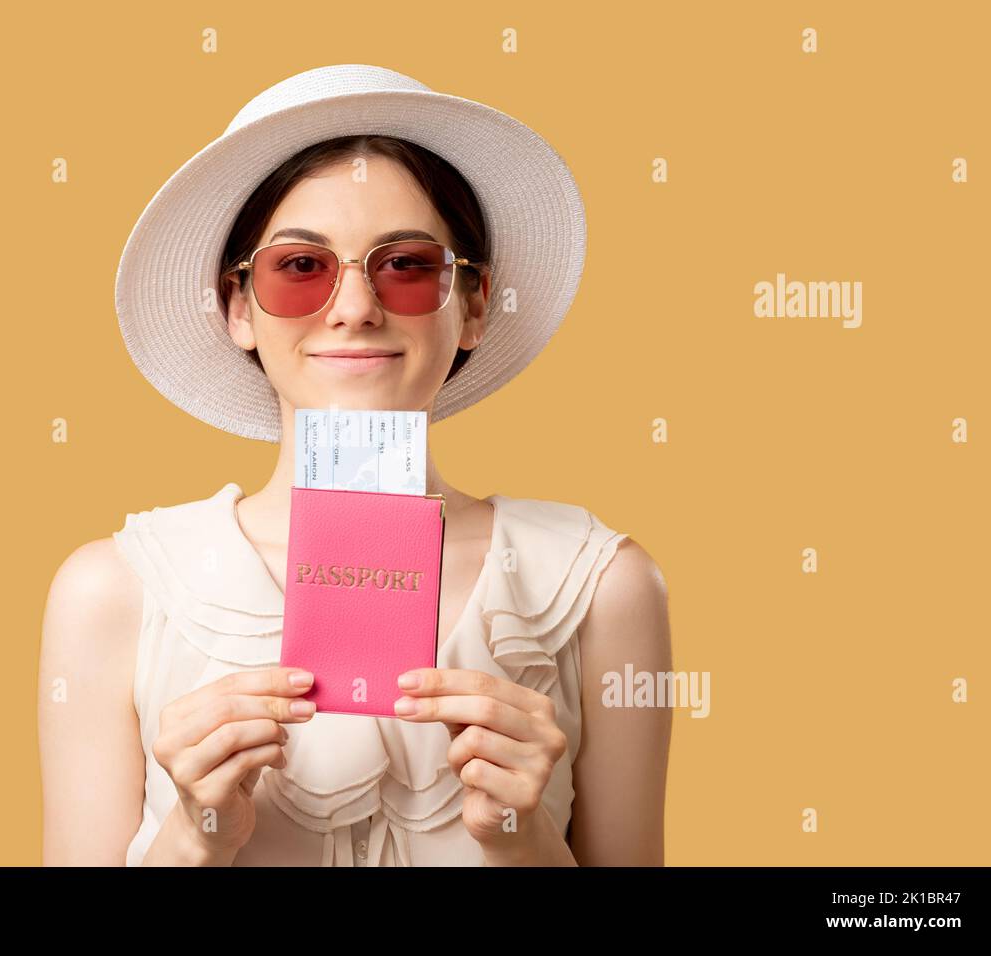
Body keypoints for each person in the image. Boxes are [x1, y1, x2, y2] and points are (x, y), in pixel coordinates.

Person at [39, 65, 671, 866]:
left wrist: (522, 839)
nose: (354, 307)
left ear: (474, 304)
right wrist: (195, 837)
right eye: (299, 267)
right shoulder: (112, 592)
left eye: (405, 265)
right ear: (238, 307)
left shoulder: (602, 585)